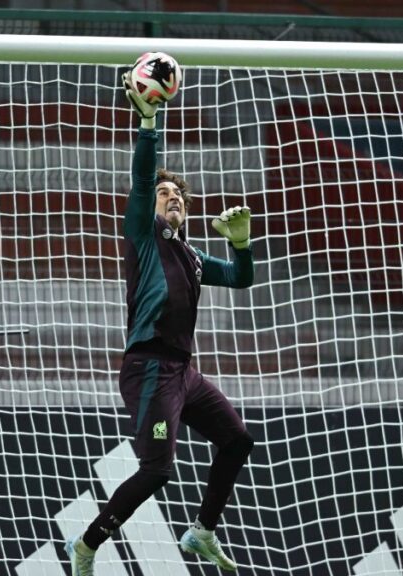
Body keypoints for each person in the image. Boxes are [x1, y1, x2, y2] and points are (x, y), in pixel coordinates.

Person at [65, 55, 256, 575]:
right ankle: (86, 545)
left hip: (184, 371)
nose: (171, 199)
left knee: (238, 439)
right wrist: (150, 119)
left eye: (179, 198)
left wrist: (240, 244)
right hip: (149, 366)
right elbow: (145, 175)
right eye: (165, 195)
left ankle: (203, 531)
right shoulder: (144, 234)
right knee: (158, 470)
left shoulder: (192, 256)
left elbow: (241, 278)